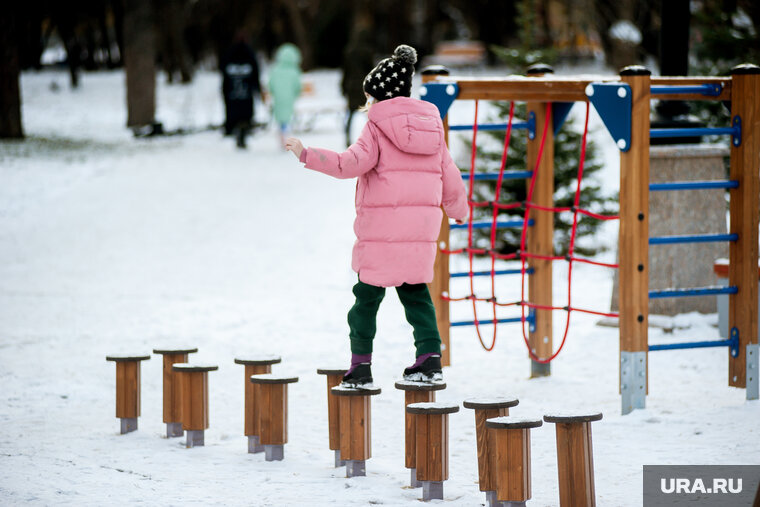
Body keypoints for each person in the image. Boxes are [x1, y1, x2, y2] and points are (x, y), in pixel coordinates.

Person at [284, 45, 468, 388]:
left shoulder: (376, 127)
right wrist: (459, 211)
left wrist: (307, 154)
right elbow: (451, 176)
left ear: (379, 96)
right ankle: (430, 359)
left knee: (366, 300)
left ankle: (360, 366)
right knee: (416, 296)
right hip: (419, 233)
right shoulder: (433, 129)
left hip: (382, 233)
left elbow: (347, 164)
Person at [220, 36, 261, 149]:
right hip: (246, 95)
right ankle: (242, 131)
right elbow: (256, 75)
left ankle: (238, 132)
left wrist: (224, 91)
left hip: (232, 95)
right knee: (245, 115)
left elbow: (224, 76)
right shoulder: (249, 56)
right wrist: (256, 88)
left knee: (234, 114)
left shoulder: (229, 56)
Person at [341, 28, 375, 147]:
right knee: (369, 114)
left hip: (352, 87)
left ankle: (347, 138)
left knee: (350, 114)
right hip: (364, 87)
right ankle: (372, 139)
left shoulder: (349, 51)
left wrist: (343, 87)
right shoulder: (368, 52)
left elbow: (346, 72)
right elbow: (371, 72)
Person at [267, 43, 302, 149]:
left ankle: (282, 138)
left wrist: (274, 93)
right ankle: (287, 138)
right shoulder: (294, 71)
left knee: (280, 118)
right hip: (289, 99)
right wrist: (296, 94)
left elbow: (270, 84)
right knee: (287, 117)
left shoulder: (275, 70)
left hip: (278, 99)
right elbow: (298, 86)